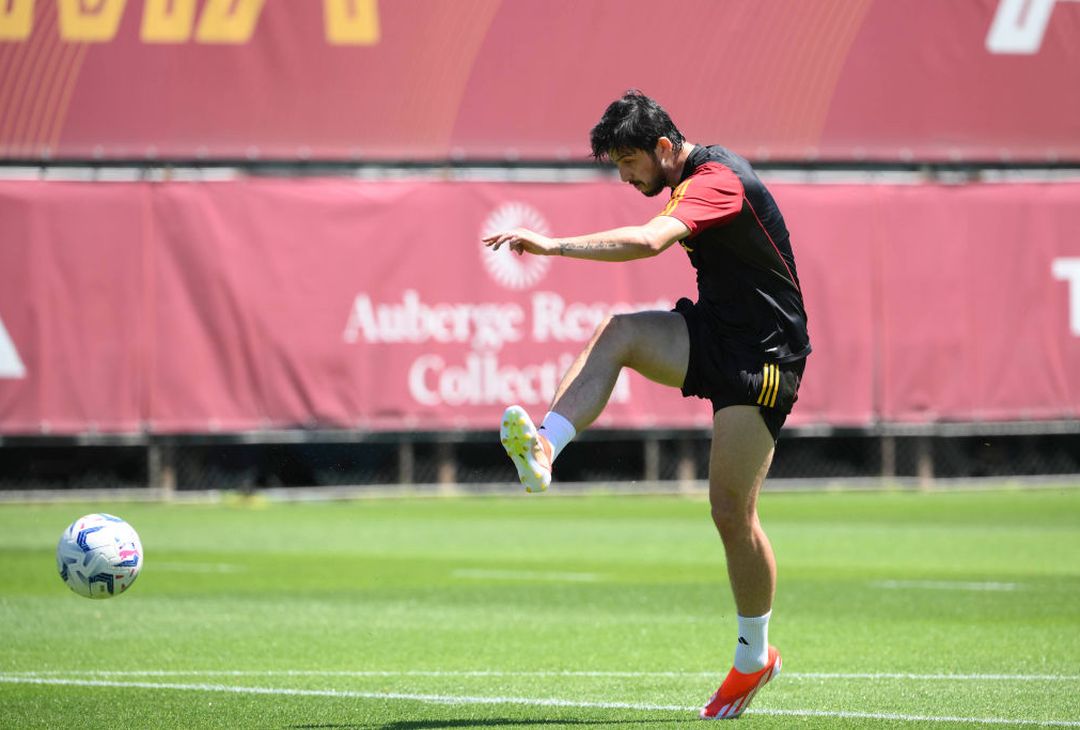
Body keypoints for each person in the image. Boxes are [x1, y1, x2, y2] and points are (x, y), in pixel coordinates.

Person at [483, 89, 810, 720]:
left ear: (665, 147)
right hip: (717, 334)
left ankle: (754, 658)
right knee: (620, 333)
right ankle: (546, 447)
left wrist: (552, 247)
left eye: (630, 162)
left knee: (731, 513)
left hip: (765, 360)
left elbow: (648, 241)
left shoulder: (717, 180)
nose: (626, 176)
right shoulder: (686, 179)